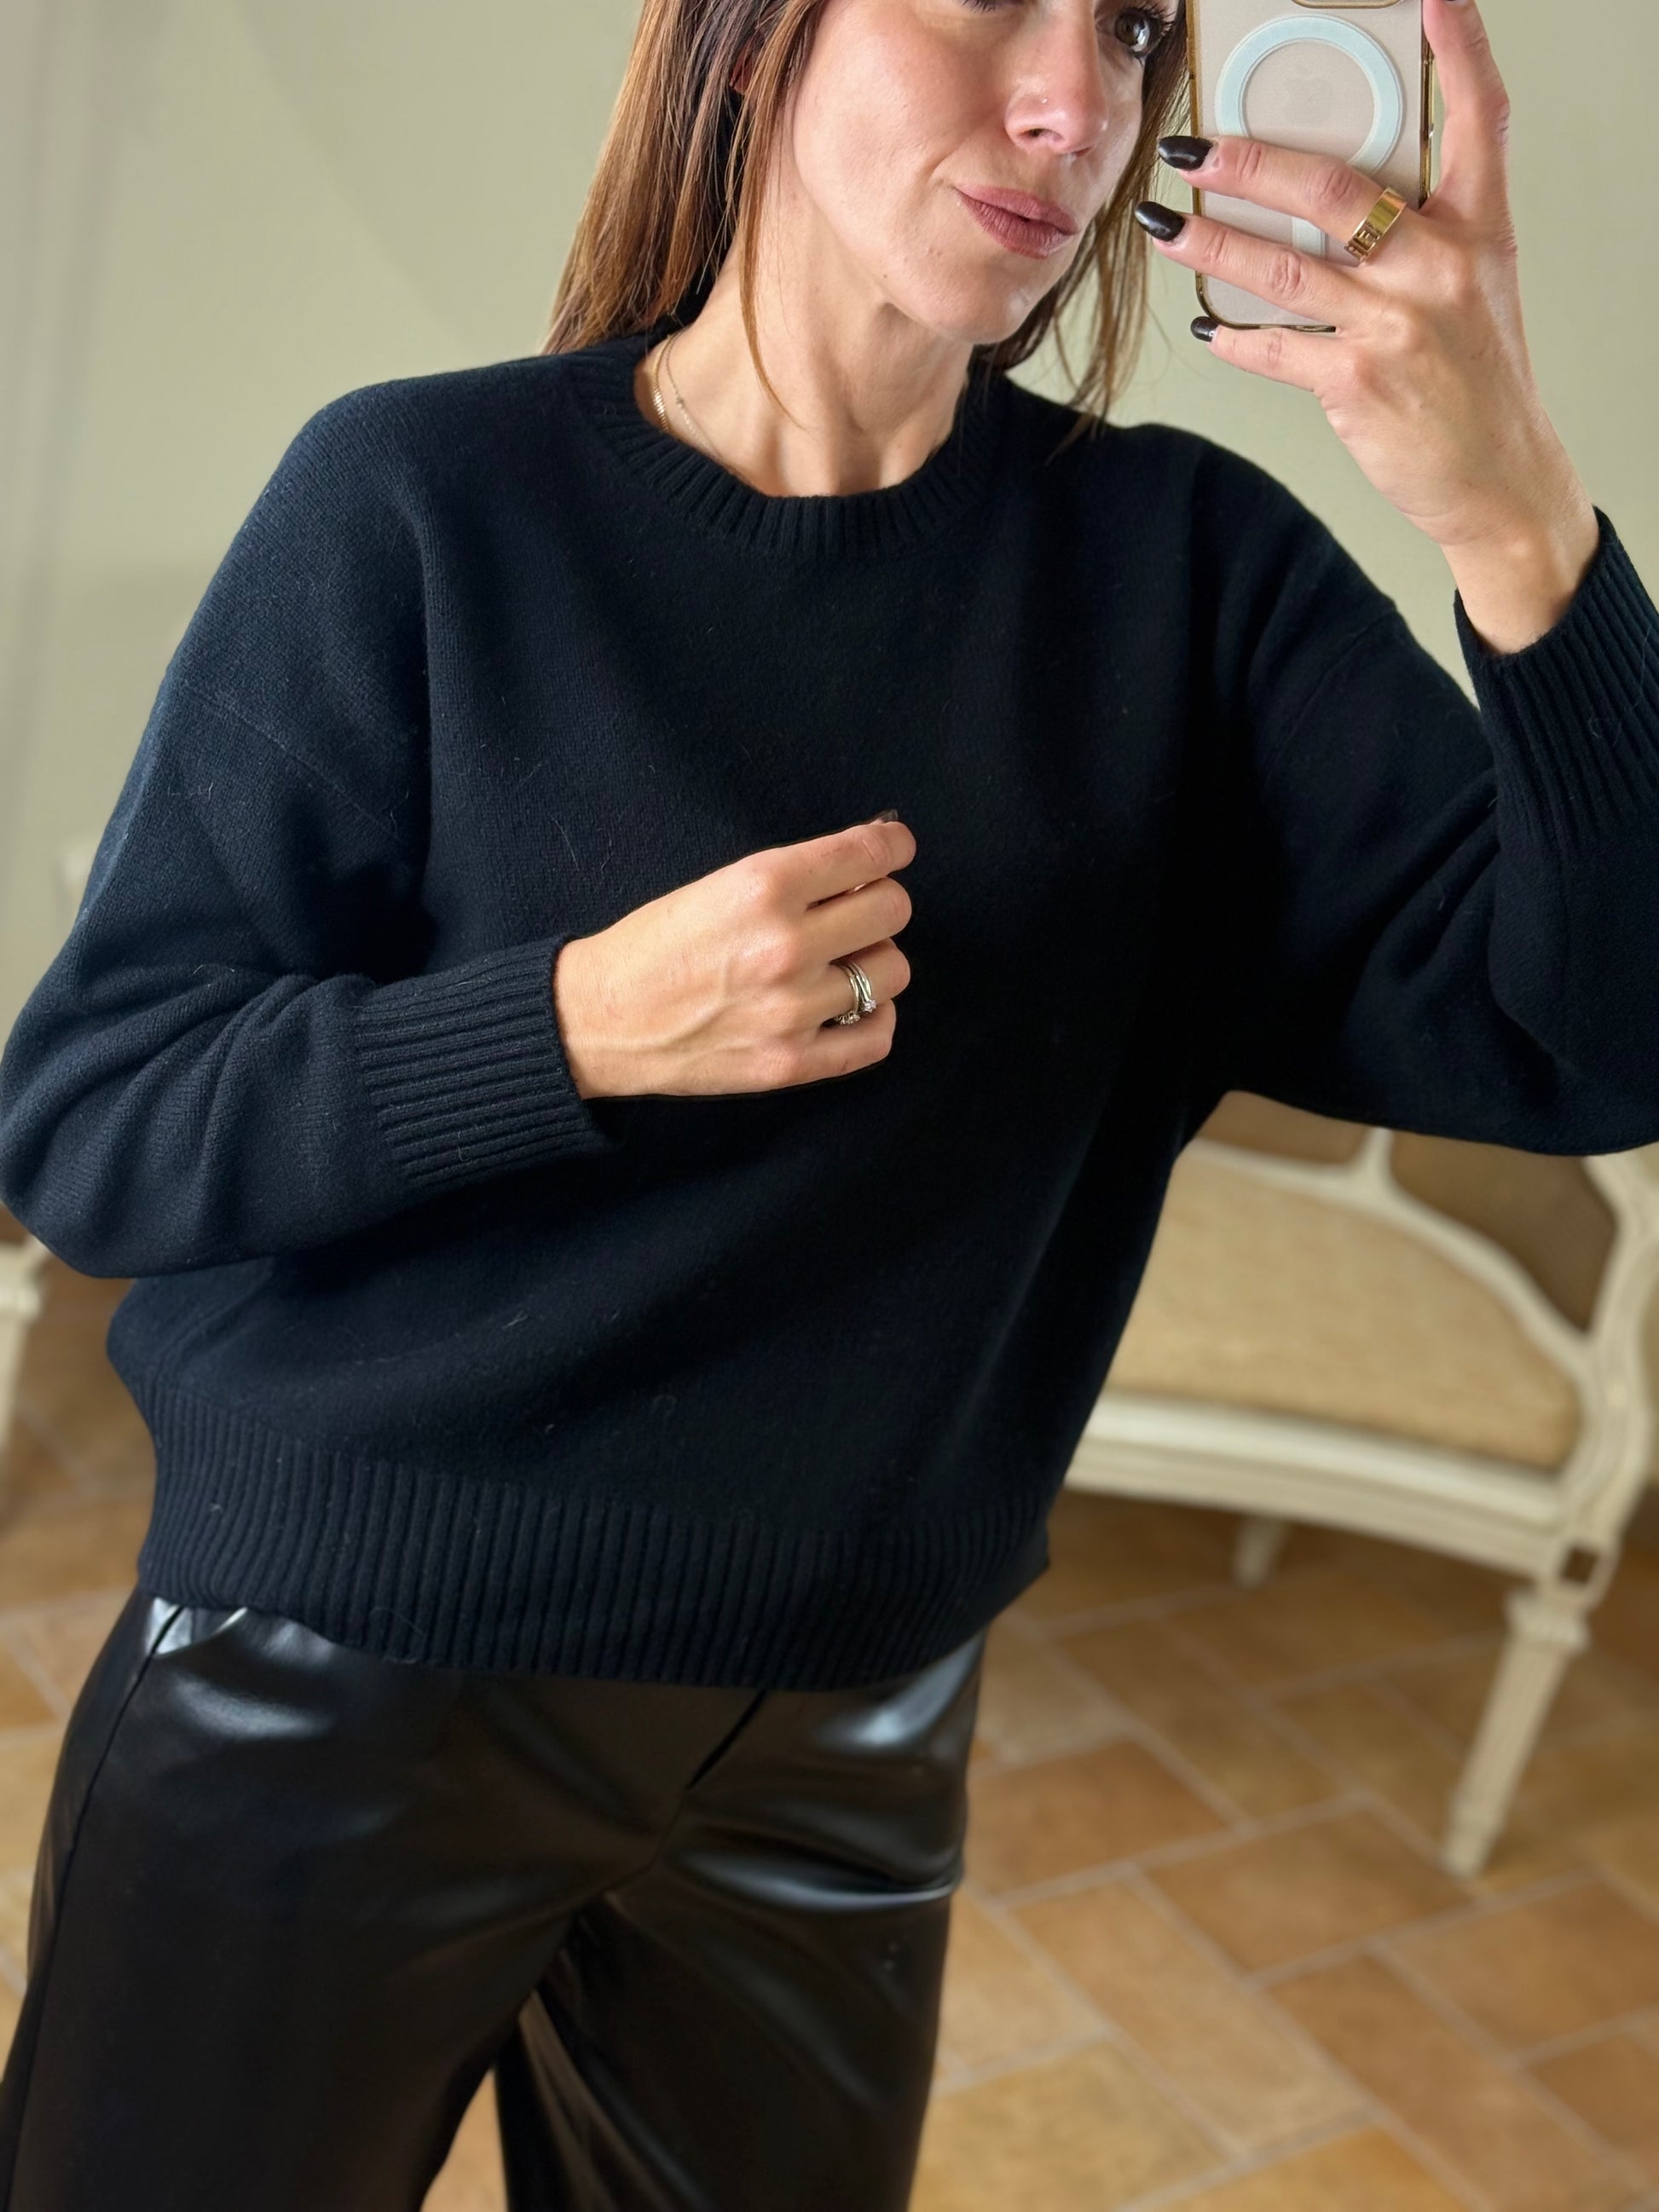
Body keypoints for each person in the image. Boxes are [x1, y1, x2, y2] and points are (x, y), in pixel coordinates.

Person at [0, 0, 1655, 2203]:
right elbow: (90, 1124)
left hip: (844, 1735)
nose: (1073, 101)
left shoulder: (1190, 579)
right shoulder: (421, 499)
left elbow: (1597, 1041)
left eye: (1129, 27)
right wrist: (568, 1024)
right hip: (338, 1676)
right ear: (755, 38)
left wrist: (1512, 511)